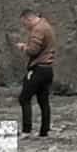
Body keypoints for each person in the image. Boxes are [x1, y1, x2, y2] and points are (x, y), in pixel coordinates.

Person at [15, 9, 56, 138]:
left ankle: (27, 130)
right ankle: (45, 130)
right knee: (43, 100)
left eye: (24, 24)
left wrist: (23, 47)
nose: (25, 27)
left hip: (38, 69)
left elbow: (33, 50)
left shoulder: (38, 29)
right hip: (48, 68)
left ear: (29, 19)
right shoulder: (46, 25)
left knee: (24, 98)